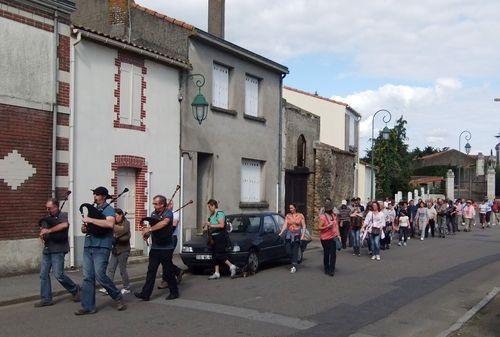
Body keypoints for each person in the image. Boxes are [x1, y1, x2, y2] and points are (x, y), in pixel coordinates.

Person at [76, 186, 126, 315]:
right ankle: (88, 306)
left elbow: (110, 224)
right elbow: (87, 227)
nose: (94, 197)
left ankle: (117, 296)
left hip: (102, 246)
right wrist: (85, 227)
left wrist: (91, 220)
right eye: (94, 194)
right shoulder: (95, 210)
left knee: (100, 275)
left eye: (97, 194)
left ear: (103, 196)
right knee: (87, 277)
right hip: (89, 245)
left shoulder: (109, 210)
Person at [35, 198, 80, 307]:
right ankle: (46, 299)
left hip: (59, 248)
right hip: (48, 248)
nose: (48, 210)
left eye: (49, 208)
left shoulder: (63, 215)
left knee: (58, 274)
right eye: (47, 208)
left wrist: (49, 230)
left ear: (56, 207)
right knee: (43, 274)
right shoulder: (47, 218)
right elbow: (43, 231)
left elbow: (64, 225)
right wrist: (42, 235)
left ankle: (75, 289)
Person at [135, 195, 179, 300]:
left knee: (168, 272)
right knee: (151, 271)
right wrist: (146, 235)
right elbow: (153, 229)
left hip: (166, 247)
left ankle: (174, 292)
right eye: (153, 203)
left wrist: (149, 229)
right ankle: (145, 294)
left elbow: (164, 223)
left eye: (155, 203)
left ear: (162, 204)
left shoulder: (168, 213)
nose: (154, 205)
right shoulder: (153, 214)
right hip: (155, 247)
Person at [99, 208, 131, 295]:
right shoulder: (115, 224)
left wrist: (115, 235)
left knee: (122, 269)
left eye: (116, 216)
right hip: (115, 250)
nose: (115, 218)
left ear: (121, 215)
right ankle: (108, 287)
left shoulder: (126, 223)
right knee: (111, 269)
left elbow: (125, 233)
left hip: (124, 250)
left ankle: (126, 287)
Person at [204, 199, 237, 279]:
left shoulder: (220, 213)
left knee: (220, 254)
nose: (209, 209)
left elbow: (221, 225)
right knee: (214, 255)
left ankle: (232, 266)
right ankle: (216, 272)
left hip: (220, 236)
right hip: (213, 237)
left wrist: (211, 225)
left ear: (213, 206)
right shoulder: (212, 215)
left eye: (209, 207)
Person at [158, 199, 184, 289]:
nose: (170, 206)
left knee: (166, 258)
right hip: (164, 239)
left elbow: (173, 225)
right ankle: (177, 271)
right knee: (164, 259)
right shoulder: (162, 214)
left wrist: (163, 224)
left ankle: (165, 280)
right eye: (168, 204)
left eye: (171, 204)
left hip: (172, 238)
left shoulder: (175, 213)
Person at [279, 203, 306, 273]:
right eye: (290, 208)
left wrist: (302, 236)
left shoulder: (300, 215)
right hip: (289, 235)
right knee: (288, 251)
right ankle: (293, 260)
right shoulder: (288, 216)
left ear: (295, 208)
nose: (290, 209)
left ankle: (294, 266)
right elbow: (285, 224)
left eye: (291, 208)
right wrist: (281, 232)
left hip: (297, 235)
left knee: (295, 251)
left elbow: (304, 226)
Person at [317, 201, 339, 276]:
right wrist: (327, 226)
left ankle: (331, 269)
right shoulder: (323, 217)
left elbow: (336, 226)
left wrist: (338, 234)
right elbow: (319, 227)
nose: (332, 210)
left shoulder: (333, 215)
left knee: (333, 254)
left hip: (333, 237)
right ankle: (326, 268)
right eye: (331, 209)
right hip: (325, 238)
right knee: (326, 253)